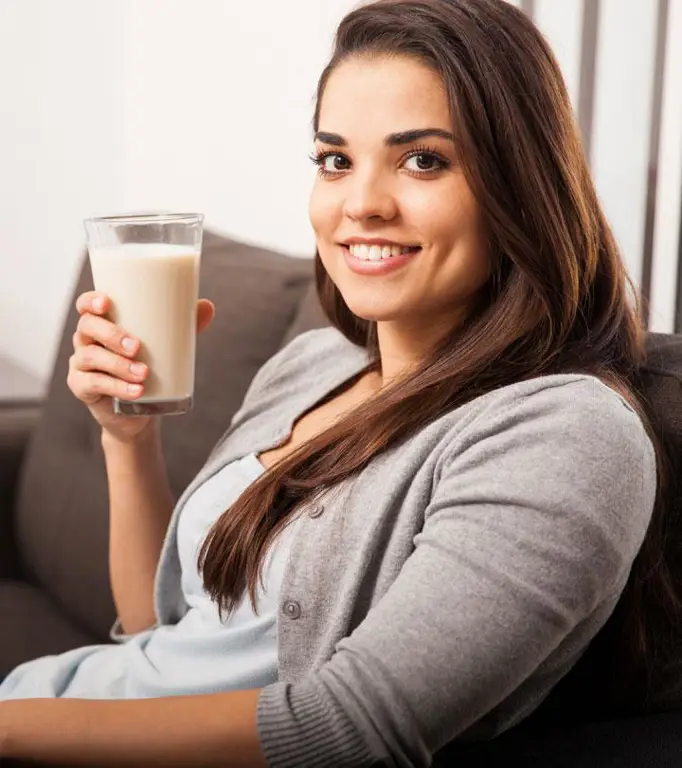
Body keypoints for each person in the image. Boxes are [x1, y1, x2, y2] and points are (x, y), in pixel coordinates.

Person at [0, 0, 673, 765]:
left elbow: (348, 728)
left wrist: (11, 730)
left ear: (521, 185)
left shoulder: (565, 433)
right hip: (48, 705)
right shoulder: (313, 365)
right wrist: (128, 437)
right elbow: (168, 640)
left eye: (424, 160)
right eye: (335, 160)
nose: (361, 205)